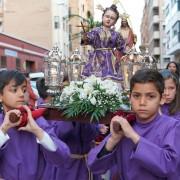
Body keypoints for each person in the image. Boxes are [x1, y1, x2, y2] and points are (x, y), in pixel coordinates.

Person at [88, 69, 180, 179]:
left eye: (150, 96)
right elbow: (94, 166)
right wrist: (113, 140)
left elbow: (170, 167)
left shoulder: (172, 126)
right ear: (129, 98)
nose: (142, 102)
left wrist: (134, 137)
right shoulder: (125, 126)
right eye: (136, 96)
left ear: (162, 99)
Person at [0, 70, 70, 179]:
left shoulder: (36, 120)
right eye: (14, 90)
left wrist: (38, 132)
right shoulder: (1, 124)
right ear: (0, 95)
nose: (21, 94)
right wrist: (3, 130)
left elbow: (61, 156)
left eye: (23, 90)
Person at [36, 77, 108, 180]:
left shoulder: (79, 105)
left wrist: (85, 119)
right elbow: (55, 136)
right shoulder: (45, 111)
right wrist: (71, 118)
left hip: (85, 165)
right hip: (64, 168)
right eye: (62, 89)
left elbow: (92, 134)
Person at [81, 4, 125, 82]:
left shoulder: (116, 34)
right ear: (102, 17)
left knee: (110, 79)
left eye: (112, 18)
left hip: (110, 60)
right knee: (95, 80)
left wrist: (123, 55)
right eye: (107, 16)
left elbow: (122, 47)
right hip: (96, 59)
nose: (109, 19)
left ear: (115, 22)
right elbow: (86, 41)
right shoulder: (95, 31)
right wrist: (85, 37)